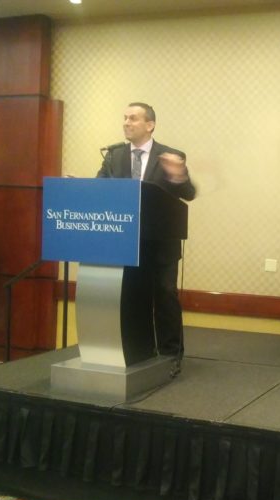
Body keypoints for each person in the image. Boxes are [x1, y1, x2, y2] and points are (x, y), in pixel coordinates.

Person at [97, 102, 196, 366]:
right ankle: (138, 352)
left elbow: (188, 194)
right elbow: (100, 188)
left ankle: (170, 354)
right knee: (132, 296)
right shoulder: (114, 155)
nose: (126, 123)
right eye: (124, 118)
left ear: (149, 125)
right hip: (127, 241)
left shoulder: (171, 155)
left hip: (162, 241)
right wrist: (80, 187)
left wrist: (179, 176)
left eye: (133, 118)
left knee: (164, 294)